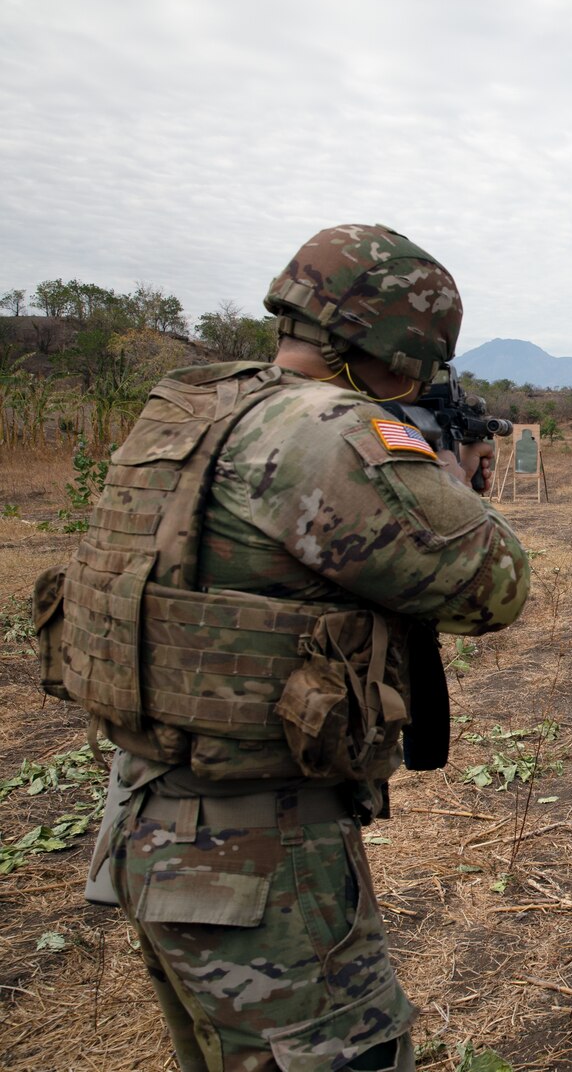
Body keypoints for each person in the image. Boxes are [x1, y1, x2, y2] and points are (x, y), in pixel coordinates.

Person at [39, 224, 530, 1071]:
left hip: (152, 822)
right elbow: (493, 590)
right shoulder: (327, 433)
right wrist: (457, 488)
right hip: (257, 862)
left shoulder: (200, 402)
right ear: (398, 343)